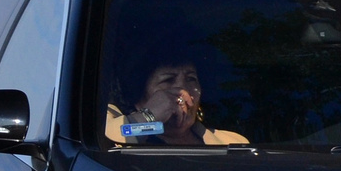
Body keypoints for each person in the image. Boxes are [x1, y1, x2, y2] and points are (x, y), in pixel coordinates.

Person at [106, 51, 249, 146]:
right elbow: (113, 141)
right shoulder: (113, 127)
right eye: (168, 80)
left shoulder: (232, 142)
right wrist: (148, 116)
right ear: (139, 96)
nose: (183, 90)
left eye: (191, 79)